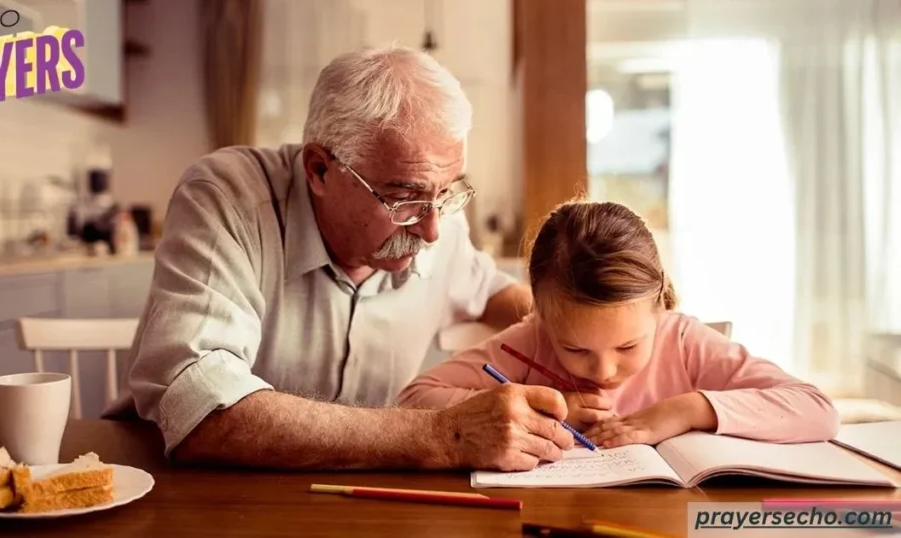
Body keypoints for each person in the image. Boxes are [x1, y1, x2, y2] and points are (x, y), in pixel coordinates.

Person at [119, 44, 577, 470]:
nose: (432, 229)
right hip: (194, 490)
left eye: (445, 193)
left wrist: (586, 342)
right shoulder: (226, 199)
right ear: (319, 169)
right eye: (403, 198)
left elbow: (492, 292)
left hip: (359, 498)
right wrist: (446, 434)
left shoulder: (437, 220)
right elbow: (199, 411)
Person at [398, 200, 840, 463]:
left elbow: (817, 409)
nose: (604, 369)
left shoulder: (682, 341)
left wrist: (685, 410)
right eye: (574, 347)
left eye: (628, 345)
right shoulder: (530, 341)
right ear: (544, 320)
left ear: (661, 305)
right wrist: (537, 411)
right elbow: (415, 399)